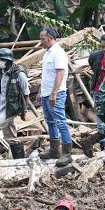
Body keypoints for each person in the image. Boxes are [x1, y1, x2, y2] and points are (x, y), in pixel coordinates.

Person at [38, 28, 74, 167]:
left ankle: (67, 152)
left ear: (50, 38)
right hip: (47, 93)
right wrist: (42, 92)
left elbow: (60, 75)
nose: (41, 42)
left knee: (60, 122)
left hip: (56, 94)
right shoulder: (47, 53)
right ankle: (54, 149)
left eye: (42, 39)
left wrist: (53, 93)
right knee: (50, 122)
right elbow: (47, 75)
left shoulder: (58, 53)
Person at [0, 48, 29, 160]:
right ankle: (20, 160)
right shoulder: (1, 72)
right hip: (2, 108)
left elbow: (26, 93)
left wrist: (24, 111)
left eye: (0, 60)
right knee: (10, 137)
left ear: (7, 60)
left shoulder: (19, 74)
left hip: (11, 109)